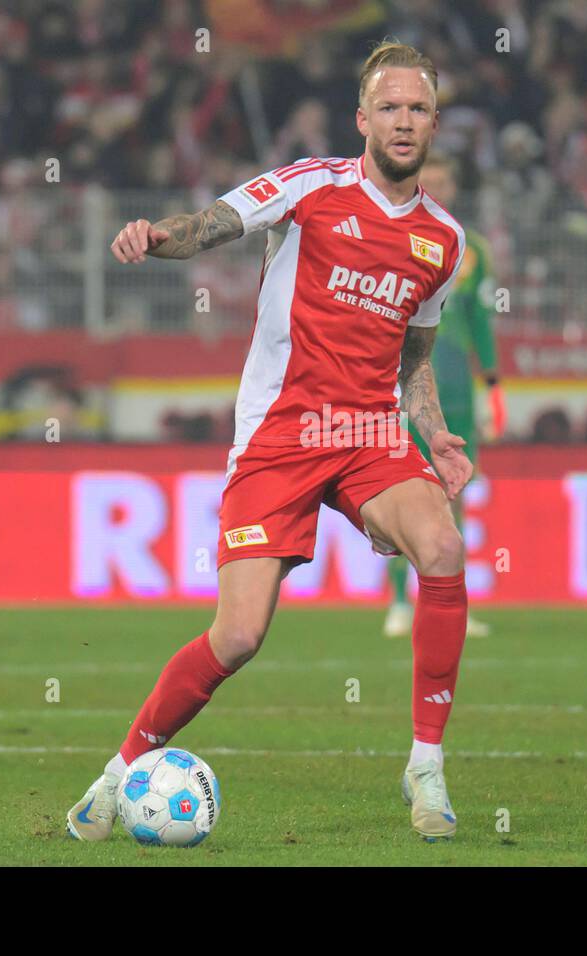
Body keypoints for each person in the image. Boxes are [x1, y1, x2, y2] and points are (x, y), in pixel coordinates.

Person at [67, 41, 472, 843]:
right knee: (240, 635)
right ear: (363, 119)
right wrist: (156, 238)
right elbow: (211, 225)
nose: (402, 121)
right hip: (279, 436)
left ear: (434, 122)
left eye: (417, 108)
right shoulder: (310, 185)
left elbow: (413, 362)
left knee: (445, 549)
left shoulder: (443, 242)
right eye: (388, 107)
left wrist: (438, 435)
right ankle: (118, 775)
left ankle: (426, 767)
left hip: (364, 432)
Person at [383, 153, 504, 640]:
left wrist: (493, 385)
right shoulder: (389, 236)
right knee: (397, 492)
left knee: (455, 494)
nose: (435, 185)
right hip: (405, 380)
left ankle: (453, 605)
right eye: (426, 177)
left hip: (455, 385)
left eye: (442, 179)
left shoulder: (471, 249)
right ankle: (397, 600)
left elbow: (480, 321)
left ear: (453, 186)